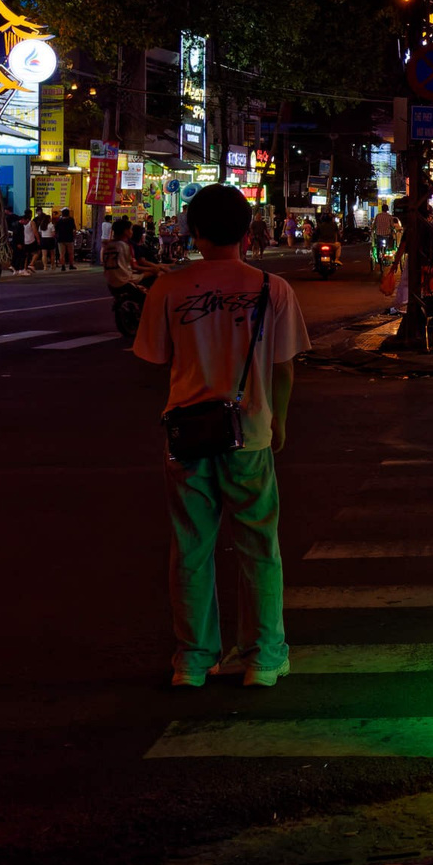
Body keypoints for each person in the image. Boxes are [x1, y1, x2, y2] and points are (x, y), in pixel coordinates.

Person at [133, 184, 310, 689]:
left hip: (186, 434)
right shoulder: (272, 288)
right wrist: (278, 420)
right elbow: (284, 367)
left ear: (193, 232)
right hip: (249, 432)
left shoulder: (168, 288)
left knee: (191, 547)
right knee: (259, 546)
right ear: (249, 233)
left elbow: (154, 357)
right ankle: (264, 658)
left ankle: (192, 661)